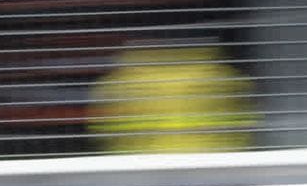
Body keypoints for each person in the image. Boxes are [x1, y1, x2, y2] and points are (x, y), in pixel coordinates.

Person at [87, 39, 257, 154]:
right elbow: (245, 127)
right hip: (211, 173)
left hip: (141, 177)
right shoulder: (223, 78)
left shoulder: (118, 84)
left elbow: (105, 135)